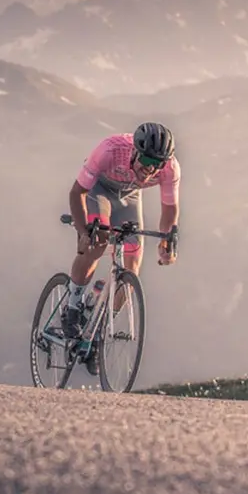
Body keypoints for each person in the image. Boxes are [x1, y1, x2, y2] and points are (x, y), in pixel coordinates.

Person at [64, 121, 180, 337]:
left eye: (158, 163)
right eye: (147, 160)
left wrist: (166, 243)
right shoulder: (110, 150)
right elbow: (77, 192)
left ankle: (99, 329)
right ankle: (72, 306)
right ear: (135, 152)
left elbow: (170, 209)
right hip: (99, 189)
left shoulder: (170, 168)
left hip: (130, 196)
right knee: (98, 242)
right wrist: (83, 232)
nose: (152, 169)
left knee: (132, 268)